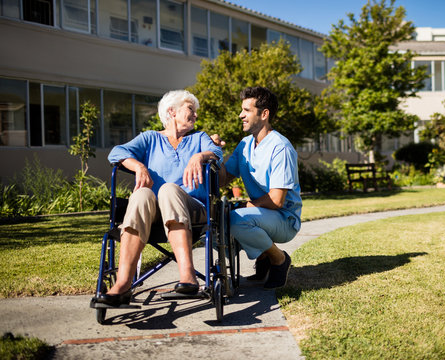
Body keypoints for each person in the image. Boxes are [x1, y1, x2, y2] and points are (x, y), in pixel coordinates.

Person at [93, 90, 222, 307]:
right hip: (151, 215)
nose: (196, 115)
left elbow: (216, 153)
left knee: (168, 189)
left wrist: (199, 156)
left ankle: (187, 276)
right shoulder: (149, 138)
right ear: (172, 111)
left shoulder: (199, 138)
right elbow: (116, 152)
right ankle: (123, 283)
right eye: (191, 109)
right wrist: (138, 165)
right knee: (142, 193)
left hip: (192, 209)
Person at [216, 86, 302, 289]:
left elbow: (277, 199)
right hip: (262, 214)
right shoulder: (245, 145)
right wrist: (216, 152)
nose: (240, 115)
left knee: (237, 218)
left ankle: (279, 259)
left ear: (264, 114)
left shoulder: (280, 147)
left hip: (284, 218)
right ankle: (263, 257)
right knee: (219, 219)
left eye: (246, 110)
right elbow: (222, 180)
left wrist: (245, 205)